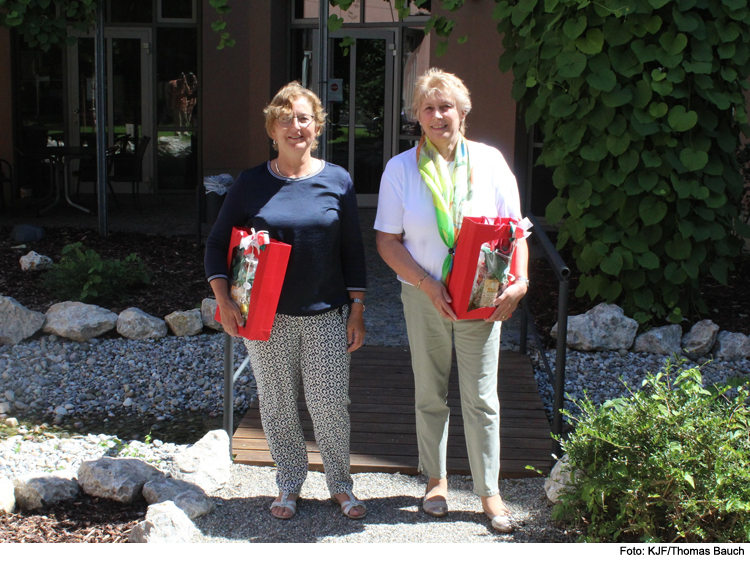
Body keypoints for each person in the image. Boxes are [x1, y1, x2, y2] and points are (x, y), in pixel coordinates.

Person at [374, 68, 529, 533]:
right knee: (430, 391)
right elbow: (386, 240)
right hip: (424, 295)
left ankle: (489, 491)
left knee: (482, 396)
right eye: (428, 107)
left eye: (446, 106)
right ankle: (436, 480)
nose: (438, 115)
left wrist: (519, 281)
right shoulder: (401, 169)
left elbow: (516, 230)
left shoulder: (491, 162)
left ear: (462, 111)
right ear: (417, 117)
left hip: (483, 294)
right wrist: (425, 283)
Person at [204, 81, 367, 520]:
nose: (295, 126)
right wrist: (225, 301)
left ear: (317, 126)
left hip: (327, 314)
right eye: (285, 118)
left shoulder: (338, 180)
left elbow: (352, 248)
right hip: (265, 317)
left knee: (330, 403)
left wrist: (357, 308)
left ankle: (340, 484)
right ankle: (289, 483)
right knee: (275, 403)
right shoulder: (250, 183)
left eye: (304, 118)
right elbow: (217, 244)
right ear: (271, 129)